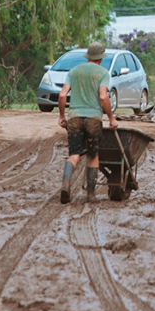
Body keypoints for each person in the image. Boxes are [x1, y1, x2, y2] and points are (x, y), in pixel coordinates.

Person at [57, 42, 119, 203]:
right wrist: (111, 118)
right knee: (93, 155)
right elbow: (103, 97)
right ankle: (91, 195)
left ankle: (65, 185)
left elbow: (63, 95)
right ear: (101, 58)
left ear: (88, 57)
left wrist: (62, 116)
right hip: (93, 119)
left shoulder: (74, 71)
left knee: (74, 154)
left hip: (75, 117)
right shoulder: (103, 73)